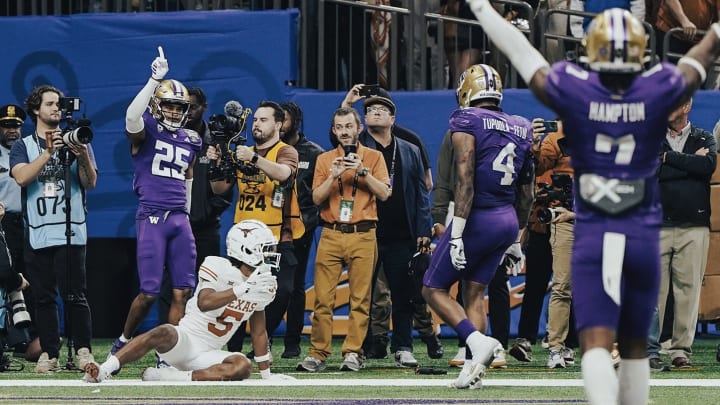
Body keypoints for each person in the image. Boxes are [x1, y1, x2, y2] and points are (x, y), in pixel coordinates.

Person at [467, 3, 720, 403]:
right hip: (640, 232)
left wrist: (481, 7)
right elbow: (701, 55)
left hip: (596, 229)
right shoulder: (657, 88)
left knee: (596, 341)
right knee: (636, 344)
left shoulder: (576, 88)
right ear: (640, 52)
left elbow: (523, 53)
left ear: (592, 52)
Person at [422, 63, 534, 389]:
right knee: (474, 292)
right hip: (506, 219)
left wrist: (456, 231)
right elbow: (527, 191)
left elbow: (465, 180)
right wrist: (516, 237)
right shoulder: (520, 126)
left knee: (432, 288)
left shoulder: (466, 119)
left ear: (466, 90)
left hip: (478, 217)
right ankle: (471, 372)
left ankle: (477, 341)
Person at [82, 220, 293, 382]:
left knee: (242, 366)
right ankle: (104, 370)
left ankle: (170, 378)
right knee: (164, 330)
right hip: (184, 343)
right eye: (266, 248)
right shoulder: (218, 266)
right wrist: (242, 289)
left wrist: (267, 376)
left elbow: (258, 331)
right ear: (245, 250)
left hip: (209, 354)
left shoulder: (264, 285)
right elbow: (205, 302)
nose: (271, 254)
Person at [110, 48, 201, 357]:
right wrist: (153, 80)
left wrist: (186, 212)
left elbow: (188, 175)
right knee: (149, 292)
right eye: (169, 106)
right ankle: (122, 340)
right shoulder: (146, 130)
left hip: (179, 219)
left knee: (183, 291)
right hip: (152, 217)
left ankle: (170, 355)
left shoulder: (191, 139)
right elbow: (131, 117)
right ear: (157, 105)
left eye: (179, 107)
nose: (175, 112)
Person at [10, 84, 98, 373]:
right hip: (38, 231)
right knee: (44, 297)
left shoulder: (77, 140)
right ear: (36, 109)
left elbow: (90, 182)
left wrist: (81, 152)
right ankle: (50, 352)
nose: (56, 109)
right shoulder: (24, 145)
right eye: (50, 104)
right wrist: (48, 152)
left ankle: (84, 350)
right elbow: (21, 178)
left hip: (72, 231)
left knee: (76, 294)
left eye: (59, 104)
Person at [297, 107, 390, 372]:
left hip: (363, 233)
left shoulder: (373, 157)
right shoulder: (325, 160)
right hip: (331, 232)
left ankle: (352, 352)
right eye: (339, 127)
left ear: (359, 128)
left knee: (360, 299)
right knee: (322, 300)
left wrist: (362, 172)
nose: (345, 131)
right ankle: (318, 353)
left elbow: (384, 194)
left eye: (349, 126)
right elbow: (316, 198)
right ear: (334, 130)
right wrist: (333, 176)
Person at [207, 100, 303, 355]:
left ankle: (265, 337)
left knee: (282, 290)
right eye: (255, 120)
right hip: (243, 237)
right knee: (235, 291)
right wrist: (215, 164)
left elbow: (284, 174)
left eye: (263, 120)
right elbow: (219, 189)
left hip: (274, 236)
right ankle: (232, 349)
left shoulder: (285, 151)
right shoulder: (241, 150)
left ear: (278, 125)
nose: (257, 124)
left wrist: (254, 159)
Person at [647, 98, 716, 371]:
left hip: (694, 225)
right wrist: (688, 164)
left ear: (686, 106)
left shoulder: (704, 136)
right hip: (656, 223)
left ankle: (680, 350)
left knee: (688, 292)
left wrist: (669, 159)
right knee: (654, 292)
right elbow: (650, 170)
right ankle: (651, 347)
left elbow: (707, 167)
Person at [156, 87, 234, 326]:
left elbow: (227, 188)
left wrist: (206, 213)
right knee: (168, 286)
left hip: (205, 229)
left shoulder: (216, 143)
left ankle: (203, 337)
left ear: (204, 108)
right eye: (184, 106)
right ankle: (167, 341)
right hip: (173, 225)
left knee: (208, 284)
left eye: (194, 106)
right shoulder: (167, 139)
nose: (188, 112)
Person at [527, 119, 577, 369]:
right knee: (562, 285)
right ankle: (556, 347)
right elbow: (537, 167)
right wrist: (535, 143)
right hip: (564, 216)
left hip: (599, 217)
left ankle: (608, 346)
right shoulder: (557, 136)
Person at [278, 101, 324, 359]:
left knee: (295, 286)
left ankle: (292, 342)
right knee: (265, 285)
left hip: (300, 230)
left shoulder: (314, 153)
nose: (280, 124)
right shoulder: (269, 151)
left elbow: (318, 195)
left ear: (295, 120)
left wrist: (306, 223)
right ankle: (262, 338)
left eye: (283, 119)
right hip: (270, 228)